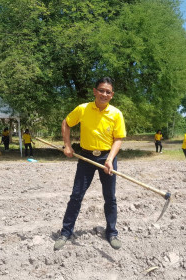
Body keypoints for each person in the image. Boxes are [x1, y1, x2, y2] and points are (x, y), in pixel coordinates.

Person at [54, 77, 126, 251]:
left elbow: (118, 139)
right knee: (76, 196)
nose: (104, 94)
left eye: (108, 92)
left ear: (112, 95)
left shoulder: (116, 114)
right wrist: (68, 145)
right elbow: (66, 123)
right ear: (95, 91)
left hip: (107, 158)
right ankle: (65, 232)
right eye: (101, 90)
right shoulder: (83, 109)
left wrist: (109, 159)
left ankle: (112, 233)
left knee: (110, 198)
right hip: (86, 157)